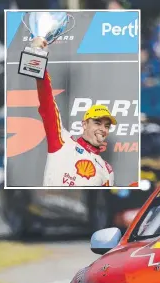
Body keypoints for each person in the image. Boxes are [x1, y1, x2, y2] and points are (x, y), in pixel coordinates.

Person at [31, 37, 116, 187]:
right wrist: (38, 57)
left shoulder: (107, 170)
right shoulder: (63, 141)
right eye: (97, 123)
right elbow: (47, 103)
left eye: (107, 126)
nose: (103, 129)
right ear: (84, 124)